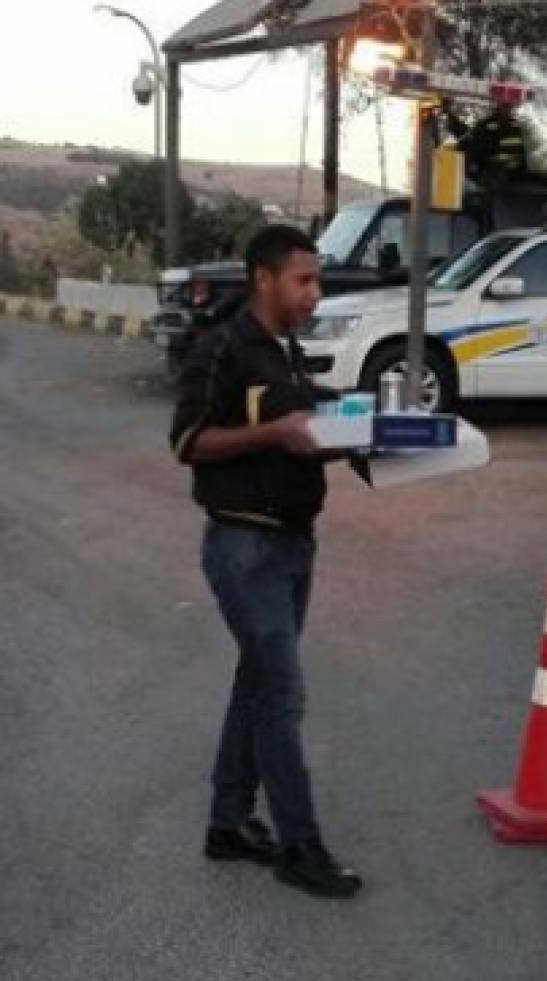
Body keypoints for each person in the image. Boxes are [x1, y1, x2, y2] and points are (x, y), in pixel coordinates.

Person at [168, 224, 363, 901]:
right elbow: (188, 442)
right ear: (264, 278)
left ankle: (228, 824)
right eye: (304, 281)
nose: (315, 293)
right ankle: (299, 845)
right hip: (243, 548)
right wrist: (272, 433)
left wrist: (368, 440)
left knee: (257, 683)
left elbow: (302, 433)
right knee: (282, 693)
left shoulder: (286, 349)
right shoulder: (222, 347)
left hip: (292, 541)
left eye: (318, 281)